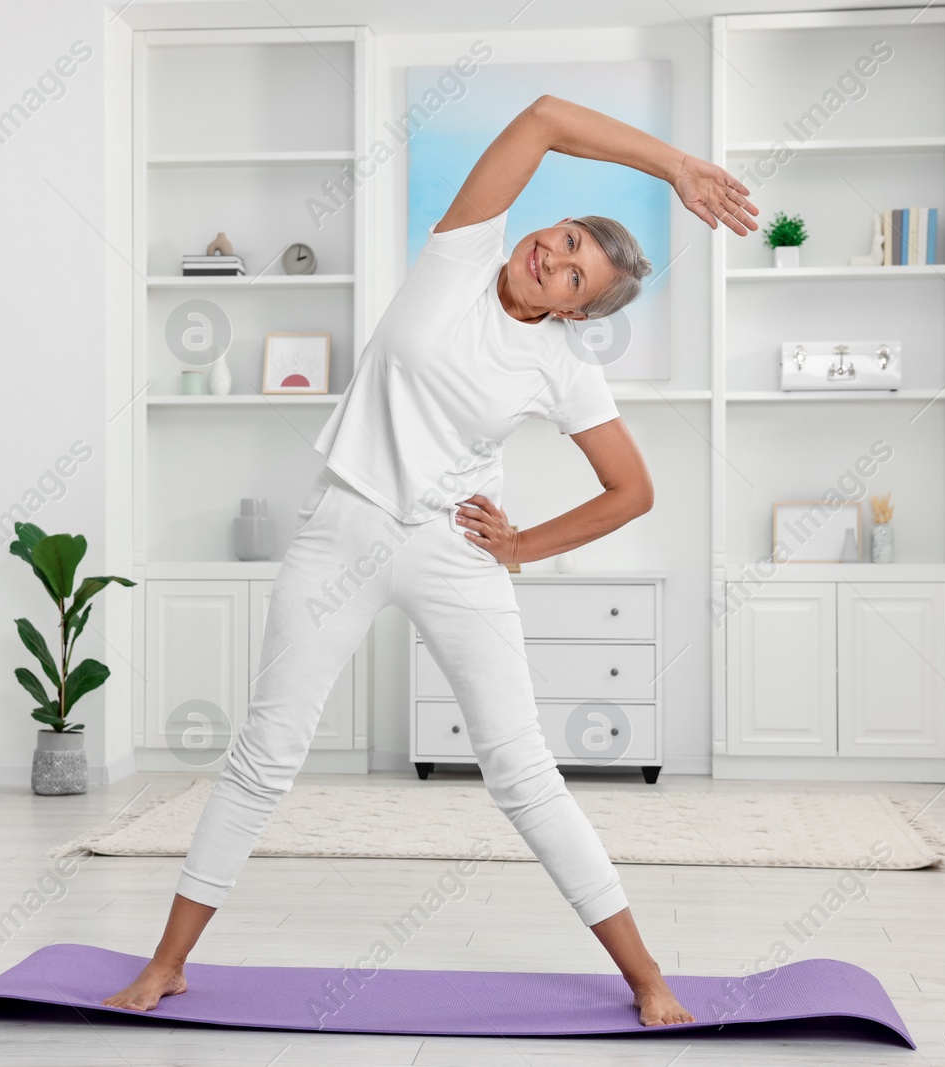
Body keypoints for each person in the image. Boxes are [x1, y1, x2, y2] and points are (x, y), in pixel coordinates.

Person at [105, 94, 759, 1027]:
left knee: (521, 770)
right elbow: (542, 119)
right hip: (342, 525)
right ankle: (167, 962)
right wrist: (676, 167)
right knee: (266, 752)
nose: (555, 257)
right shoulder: (461, 250)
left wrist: (522, 546)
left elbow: (632, 492)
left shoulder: (565, 367)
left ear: (578, 311)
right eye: (566, 237)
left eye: (576, 275)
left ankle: (647, 975)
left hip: (452, 550)